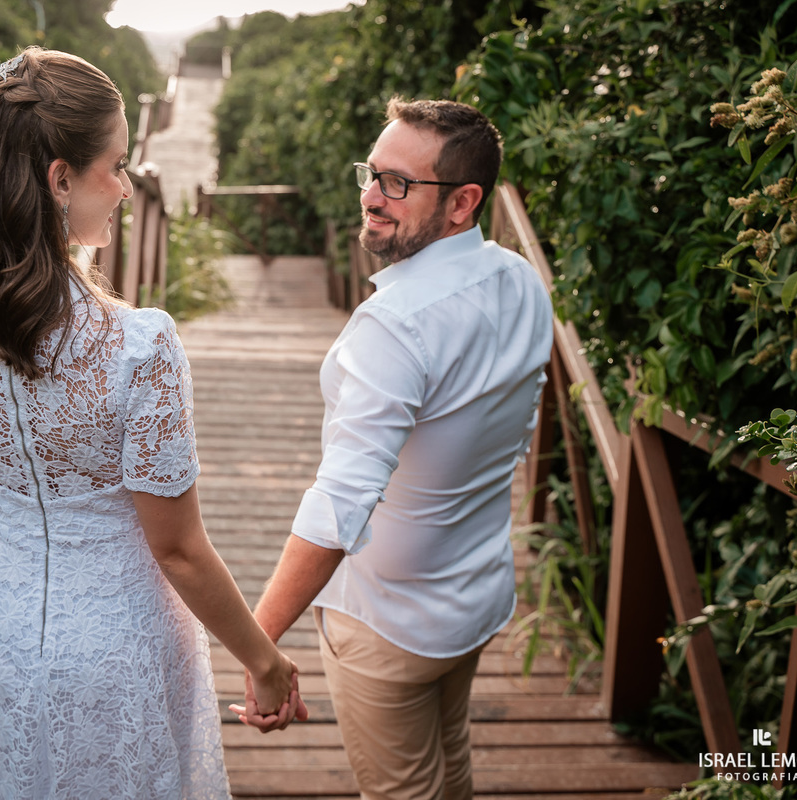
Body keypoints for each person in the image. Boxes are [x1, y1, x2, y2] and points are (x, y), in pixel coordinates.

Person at [0, 47, 300, 798]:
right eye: (117, 163)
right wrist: (265, 662)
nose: (129, 186)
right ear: (60, 179)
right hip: (122, 651)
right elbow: (177, 549)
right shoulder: (140, 346)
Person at [238, 99, 554, 799]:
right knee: (452, 765)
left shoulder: (395, 325)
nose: (371, 198)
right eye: (371, 174)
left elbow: (338, 506)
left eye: (398, 184)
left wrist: (257, 644)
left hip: (386, 622)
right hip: (474, 595)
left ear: (463, 202)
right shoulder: (524, 280)